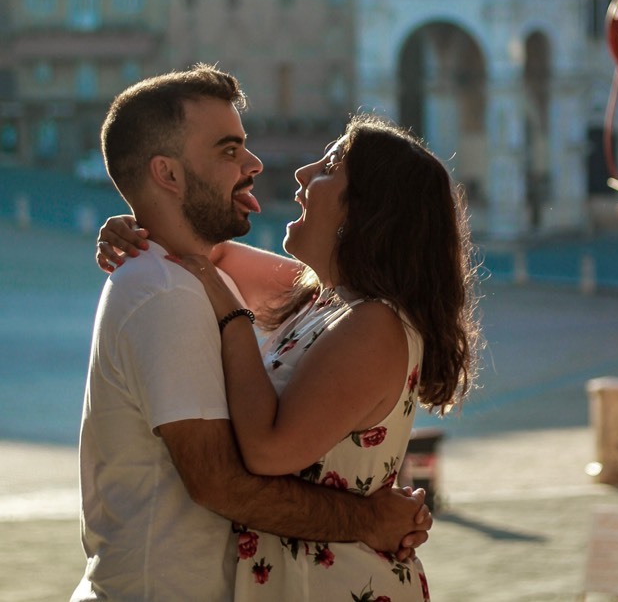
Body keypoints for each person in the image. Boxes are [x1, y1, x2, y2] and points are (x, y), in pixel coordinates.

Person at [73, 65, 431, 602]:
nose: (268, 166)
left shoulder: (342, 308)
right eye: (228, 149)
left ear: (368, 212)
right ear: (168, 174)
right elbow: (221, 481)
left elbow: (204, 251)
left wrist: (144, 230)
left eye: (331, 166)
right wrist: (132, 225)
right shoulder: (178, 288)